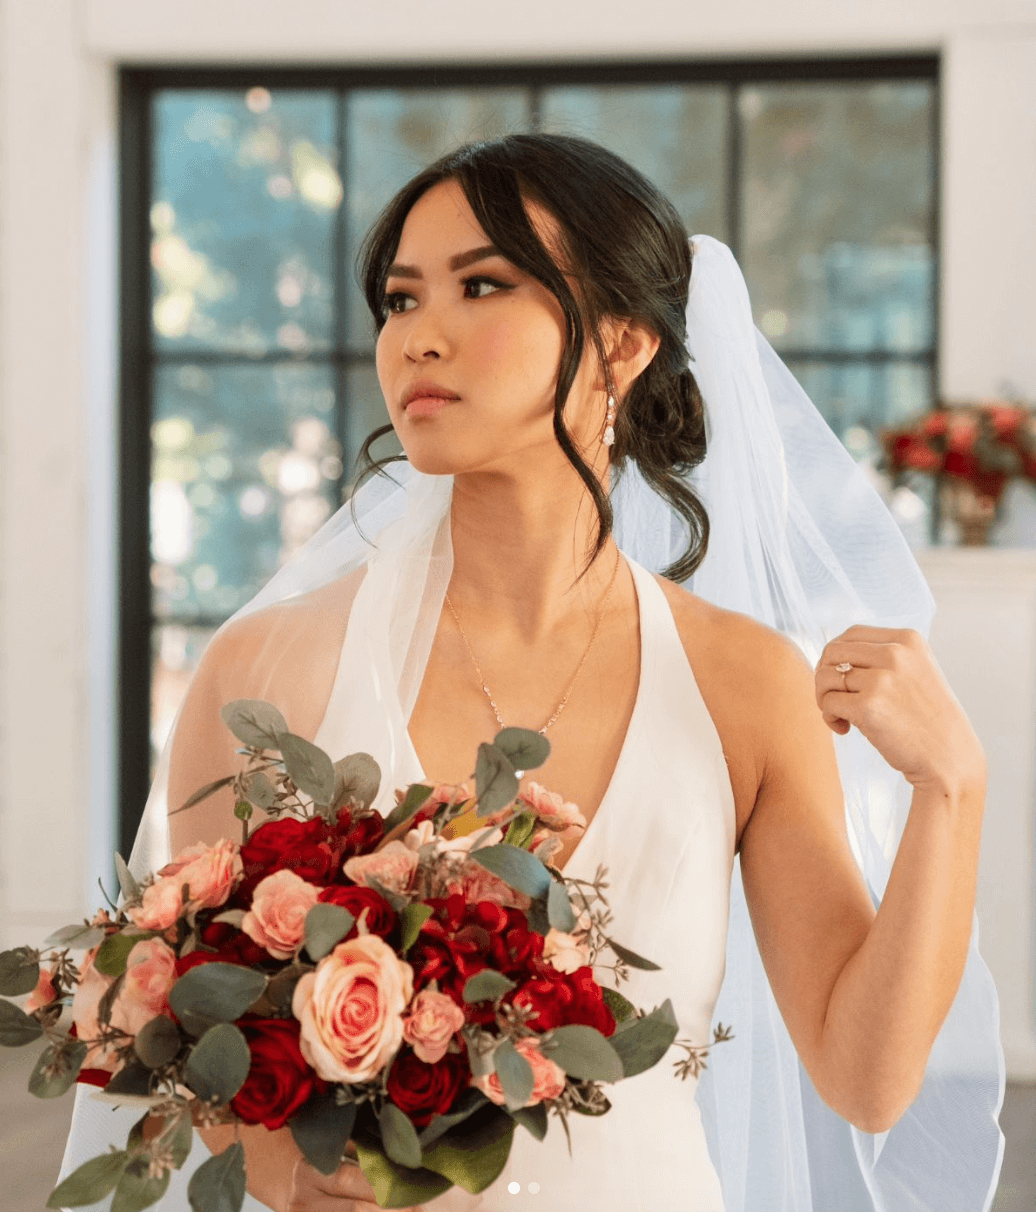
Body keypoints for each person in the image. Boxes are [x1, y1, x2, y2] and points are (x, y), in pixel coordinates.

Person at [58, 133, 1005, 1211]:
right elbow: (188, 1047)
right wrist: (285, 1172)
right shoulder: (269, 670)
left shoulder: (742, 681)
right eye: (400, 300)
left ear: (623, 341)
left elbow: (865, 1079)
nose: (418, 337)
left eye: (481, 285)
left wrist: (951, 790)